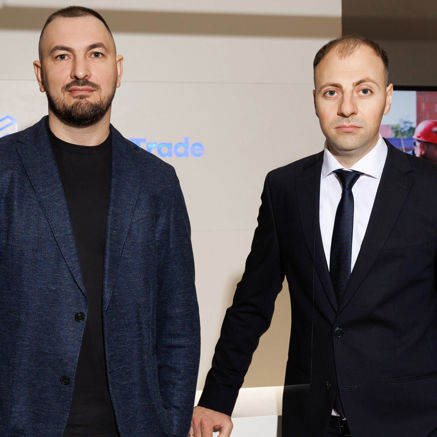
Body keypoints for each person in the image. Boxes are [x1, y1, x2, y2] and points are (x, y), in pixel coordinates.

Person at [191, 35, 437, 437]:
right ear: (315, 99)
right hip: (311, 422)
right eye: (331, 92)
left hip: (413, 423)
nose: (347, 107)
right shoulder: (285, 188)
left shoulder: (429, 189)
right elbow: (252, 304)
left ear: (388, 98)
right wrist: (217, 398)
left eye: (364, 90)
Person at [0, 6, 200, 437]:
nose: (80, 71)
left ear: (117, 68)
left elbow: (178, 325)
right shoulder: (4, 171)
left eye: (95, 54)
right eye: (62, 56)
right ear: (39, 74)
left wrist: (170, 425)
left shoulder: (157, 182)